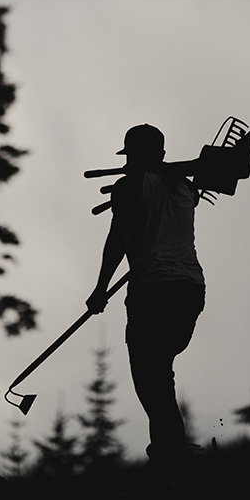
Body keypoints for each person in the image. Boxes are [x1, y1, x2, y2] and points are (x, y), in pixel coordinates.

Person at [87, 124, 204, 462]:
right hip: (190, 290)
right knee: (159, 373)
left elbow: (118, 239)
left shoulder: (130, 186)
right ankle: (169, 451)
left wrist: (100, 288)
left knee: (150, 375)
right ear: (163, 155)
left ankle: (172, 454)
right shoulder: (186, 188)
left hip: (153, 289)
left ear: (133, 156)